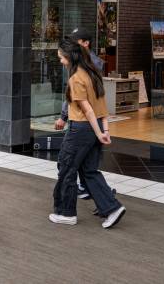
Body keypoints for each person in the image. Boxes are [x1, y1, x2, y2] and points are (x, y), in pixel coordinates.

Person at [50, 37, 125, 228]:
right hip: (95, 127)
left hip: (81, 129)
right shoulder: (93, 74)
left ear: (69, 57)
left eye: (61, 57)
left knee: (66, 167)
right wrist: (103, 130)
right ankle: (111, 208)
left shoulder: (76, 79)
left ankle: (66, 213)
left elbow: (87, 109)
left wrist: (100, 133)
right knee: (89, 171)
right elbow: (101, 107)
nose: (60, 61)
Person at [55, 27, 104, 200]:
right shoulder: (81, 62)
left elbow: (86, 100)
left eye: (76, 42)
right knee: (86, 165)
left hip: (83, 122)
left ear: (85, 43)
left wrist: (63, 117)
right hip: (86, 120)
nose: (72, 46)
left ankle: (69, 204)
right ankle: (105, 201)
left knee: (68, 162)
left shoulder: (88, 65)